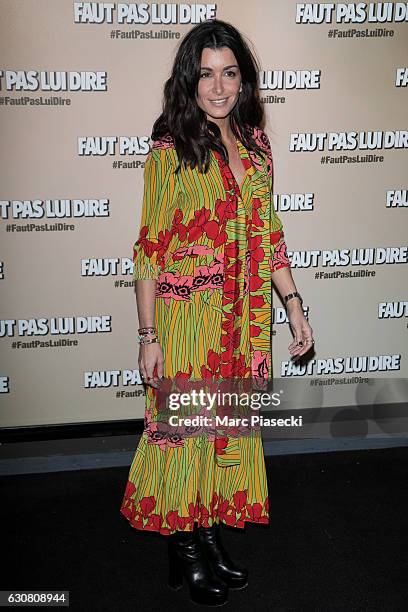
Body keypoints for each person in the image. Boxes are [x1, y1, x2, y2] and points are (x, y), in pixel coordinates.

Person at [120, 18, 314, 606]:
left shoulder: (255, 146)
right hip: (184, 323)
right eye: (206, 74)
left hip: (240, 320)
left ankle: (206, 536)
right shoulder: (169, 146)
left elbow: (268, 236)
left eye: (230, 73)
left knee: (220, 434)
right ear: (189, 80)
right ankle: (183, 550)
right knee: (185, 434)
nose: (219, 87)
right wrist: (148, 335)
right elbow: (150, 246)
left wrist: (294, 305)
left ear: (244, 80)